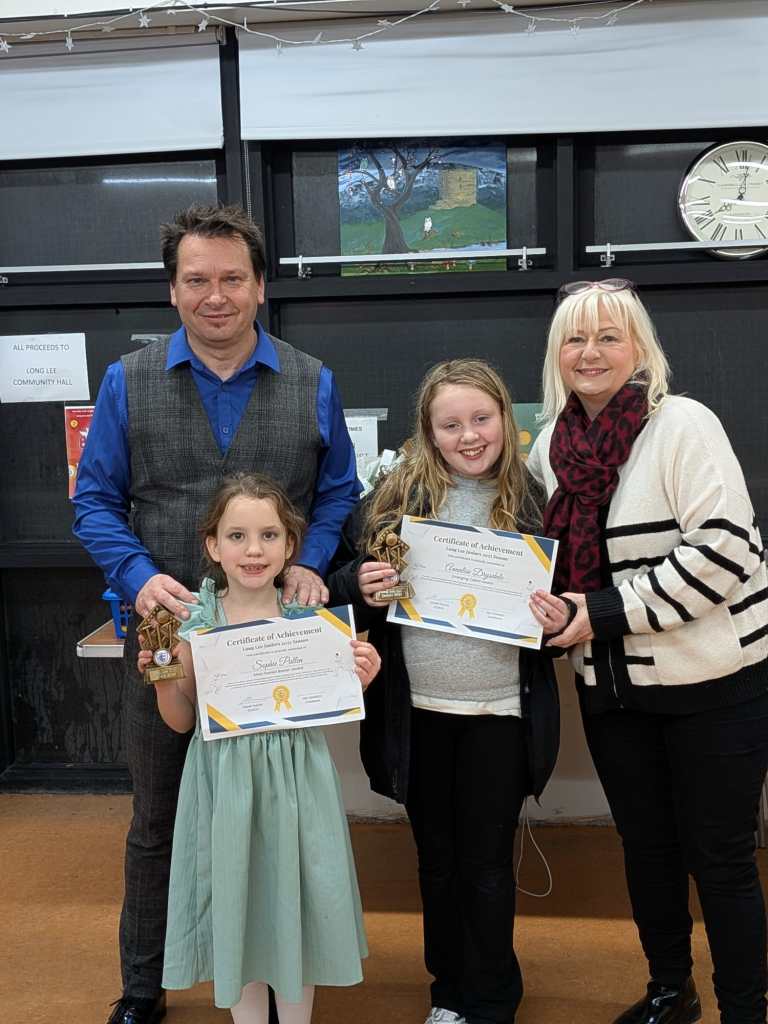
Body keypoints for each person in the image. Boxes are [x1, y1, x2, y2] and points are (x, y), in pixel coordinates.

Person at [72, 204, 361, 1024]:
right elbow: (94, 501)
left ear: (261, 286)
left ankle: (276, 971)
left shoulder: (312, 379)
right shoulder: (127, 381)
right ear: (172, 291)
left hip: (275, 641)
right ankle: (143, 989)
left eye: (233, 278)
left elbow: (338, 492)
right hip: (172, 638)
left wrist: (311, 561)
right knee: (158, 819)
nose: (216, 295)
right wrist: (138, 578)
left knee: (277, 820)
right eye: (196, 280)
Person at [526, 279, 768, 1024]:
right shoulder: (548, 447)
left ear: (640, 348)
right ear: (556, 352)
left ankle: (745, 1008)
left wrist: (600, 613)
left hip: (714, 687)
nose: (590, 352)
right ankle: (671, 990)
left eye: (609, 336)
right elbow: (544, 565)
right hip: (614, 692)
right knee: (646, 849)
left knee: (721, 858)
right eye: (575, 338)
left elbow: (725, 551)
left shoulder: (683, 425)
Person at [328, 359, 563, 1024]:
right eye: (450, 424)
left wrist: (556, 622)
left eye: (481, 419)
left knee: (486, 865)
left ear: (506, 422)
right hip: (417, 714)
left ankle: (493, 998)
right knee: (436, 862)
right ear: (428, 432)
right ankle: (449, 992)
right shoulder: (393, 502)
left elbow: (564, 613)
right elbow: (339, 580)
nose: (468, 436)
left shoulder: (536, 501)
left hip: (501, 712)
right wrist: (359, 586)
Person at [136, 473, 376, 1022]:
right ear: (213, 546)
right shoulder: (194, 622)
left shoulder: (308, 620)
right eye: (237, 536)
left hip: (298, 783)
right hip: (224, 786)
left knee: (297, 904)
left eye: (269, 535)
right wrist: (163, 680)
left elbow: (327, 707)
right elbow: (180, 720)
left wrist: (356, 681)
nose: (253, 550)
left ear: (290, 546)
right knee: (236, 908)